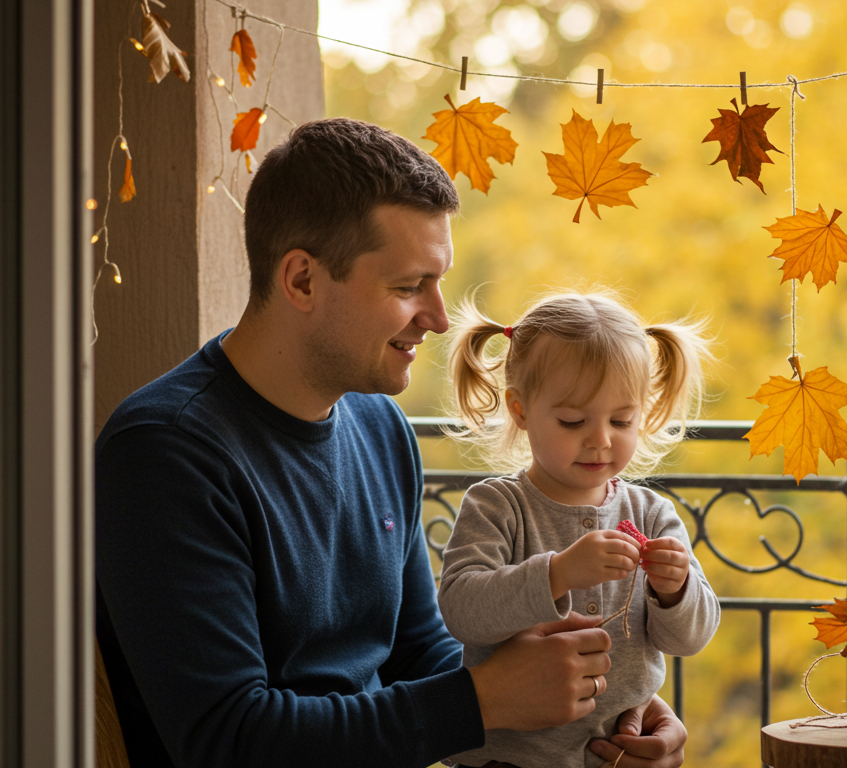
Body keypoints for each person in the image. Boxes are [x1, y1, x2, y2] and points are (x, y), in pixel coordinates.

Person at [94, 118, 687, 768]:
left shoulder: (381, 430)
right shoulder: (165, 452)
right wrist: (485, 701)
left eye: (437, 281)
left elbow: (418, 653)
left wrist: (597, 700)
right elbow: (230, 739)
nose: (437, 316)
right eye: (409, 287)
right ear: (301, 281)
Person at [438, 293, 721, 768]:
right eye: (573, 420)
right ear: (520, 410)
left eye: (621, 420)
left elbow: (689, 639)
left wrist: (676, 590)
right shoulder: (497, 506)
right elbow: (462, 610)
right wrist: (559, 573)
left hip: (615, 754)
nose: (601, 439)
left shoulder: (651, 513)